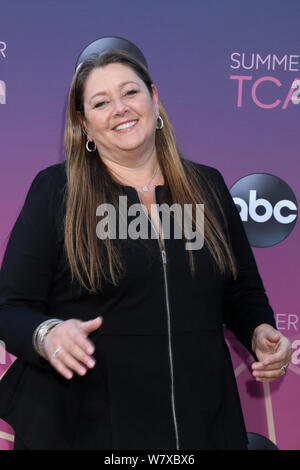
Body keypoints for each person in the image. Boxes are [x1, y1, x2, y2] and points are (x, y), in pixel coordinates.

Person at [0, 38, 292, 450]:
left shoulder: (205, 186)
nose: (119, 108)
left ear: (154, 99)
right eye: (100, 103)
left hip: (201, 425)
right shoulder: (56, 191)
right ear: (84, 124)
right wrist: (47, 334)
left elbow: (240, 289)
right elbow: (10, 307)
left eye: (130, 92)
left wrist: (260, 330)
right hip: (88, 428)